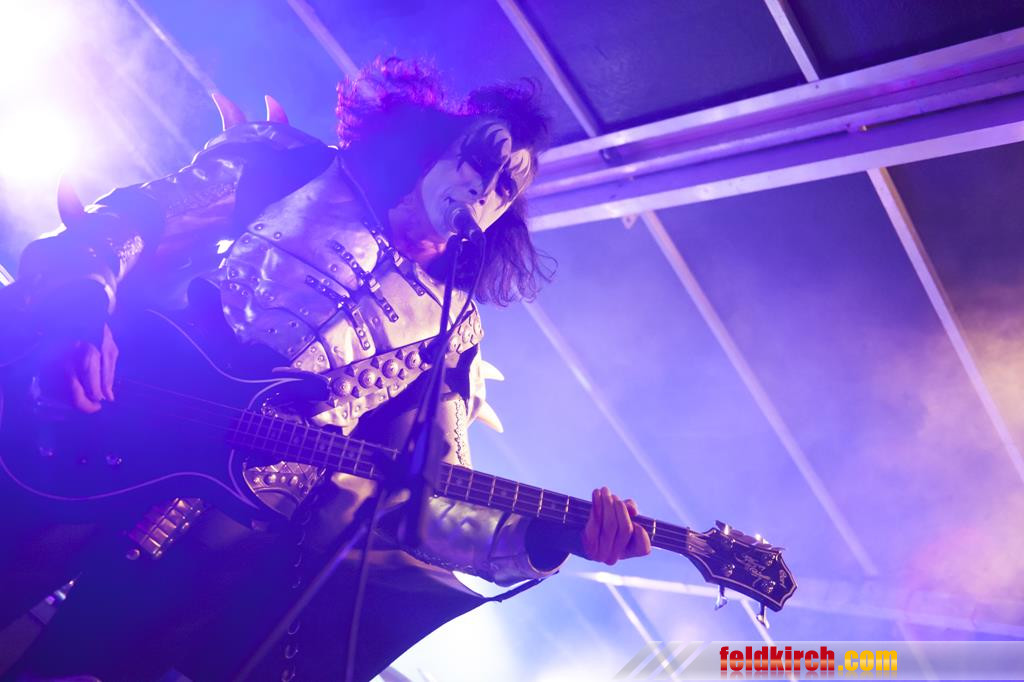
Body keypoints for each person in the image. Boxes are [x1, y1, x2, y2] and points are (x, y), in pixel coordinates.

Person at [0, 58, 650, 681]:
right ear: (438, 145)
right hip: (104, 410)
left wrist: (549, 538)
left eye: (507, 186)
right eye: (480, 160)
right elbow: (131, 219)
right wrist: (80, 313)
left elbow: (429, 498)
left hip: (208, 531)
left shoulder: (450, 331)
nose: (484, 189)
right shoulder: (298, 168)